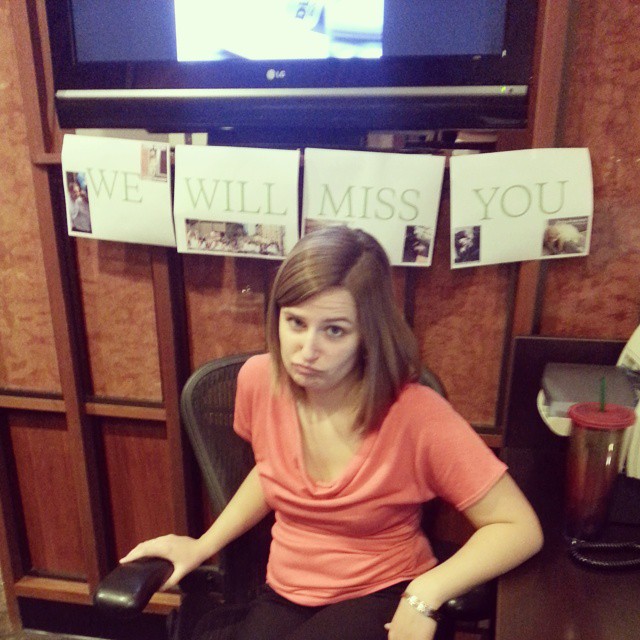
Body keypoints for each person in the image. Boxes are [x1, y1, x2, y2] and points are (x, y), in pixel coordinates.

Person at [121, 226, 543, 640]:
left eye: (335, 330)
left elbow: (518, 526)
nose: (307, 351)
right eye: (296, 322)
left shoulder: (417, 415)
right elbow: (270, 472)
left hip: (381, 590)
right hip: (285, 589)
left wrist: (425, 593)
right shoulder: (259, 381)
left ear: (368, 334)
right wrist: (202, 545)